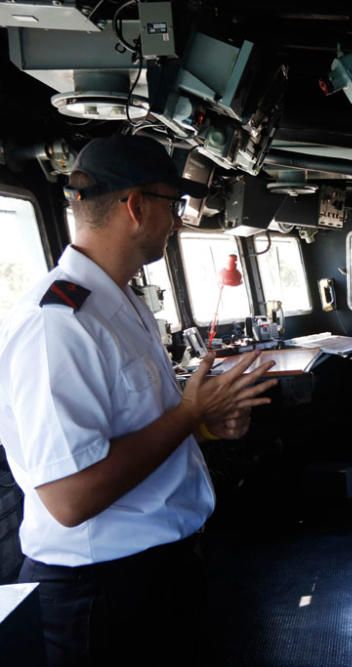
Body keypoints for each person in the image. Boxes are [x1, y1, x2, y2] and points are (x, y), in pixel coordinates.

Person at [0, 134, 278, 666]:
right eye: (174, 205)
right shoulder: (57, 325)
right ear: (136, 206)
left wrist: (207, 425)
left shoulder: (119, 302)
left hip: (155, 574)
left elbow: (140, 428)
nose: (178, 220)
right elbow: (70, 498)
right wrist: (191, 412)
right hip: (102, 594)